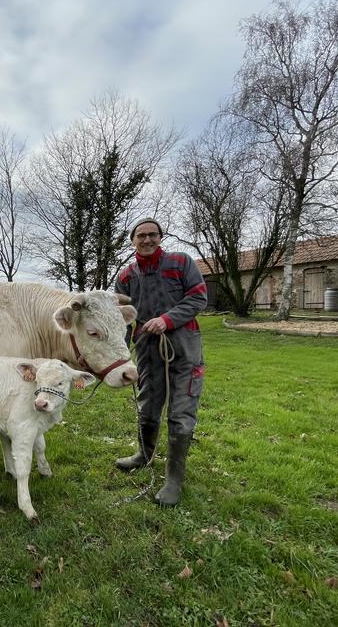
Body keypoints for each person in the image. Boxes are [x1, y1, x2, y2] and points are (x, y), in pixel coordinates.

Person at [114, 217, 207, 506]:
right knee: (147, 404)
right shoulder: (126, 276)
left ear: (160, 237)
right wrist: (120, 355)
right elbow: (123, 319)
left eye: (152, 234)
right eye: (141, 235)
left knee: (181, 410)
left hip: (183, 349)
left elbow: (198, 298)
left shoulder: (181, 262)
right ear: (132, 241)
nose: (147, 240)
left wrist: (167, 320)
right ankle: (144, 454)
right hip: (147, 352)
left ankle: (174, 479)